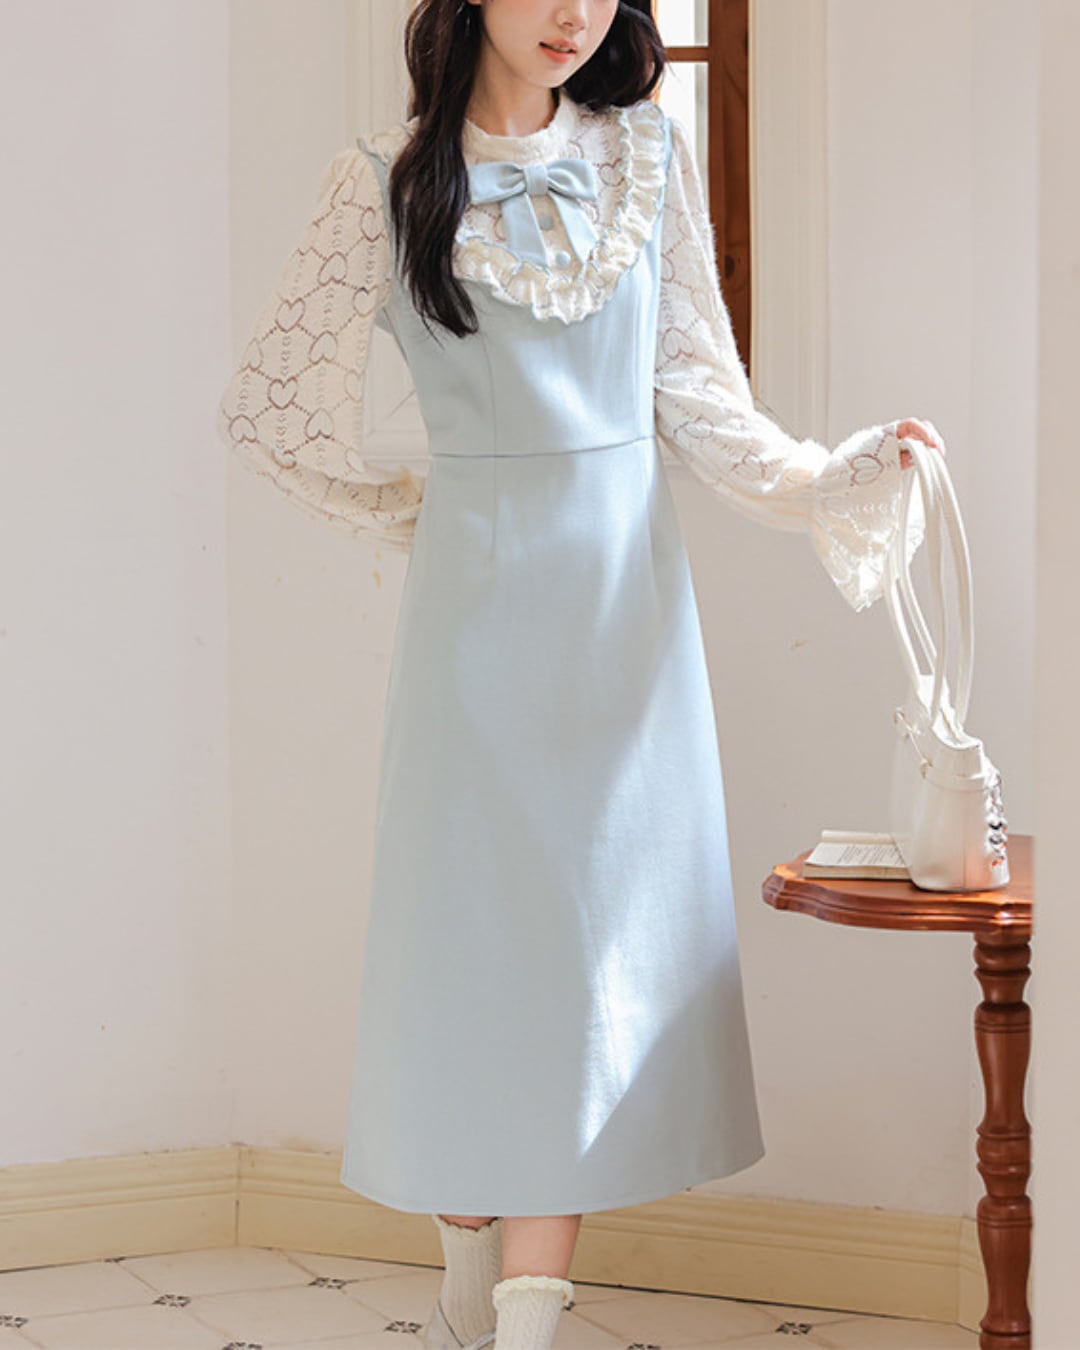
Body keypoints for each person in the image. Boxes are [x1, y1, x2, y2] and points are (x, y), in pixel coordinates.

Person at [216, 2, 945, 1346]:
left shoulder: (647, 159)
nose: (573, 12)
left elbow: (704, 403)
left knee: (582, 978)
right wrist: (420, 511)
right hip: (474, 637)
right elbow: (266, 407)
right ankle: (466, 1270)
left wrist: (841, 471)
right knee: (471, 964)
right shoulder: (380, 183)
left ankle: (524, 1324)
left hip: (625, 635)